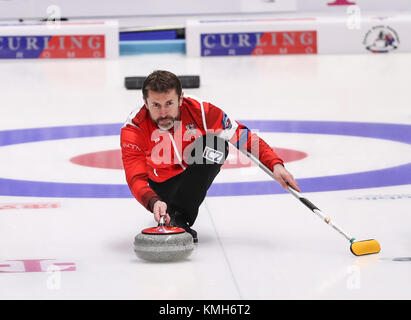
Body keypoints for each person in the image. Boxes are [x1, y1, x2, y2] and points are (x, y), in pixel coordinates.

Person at [121, 70, 299, 243]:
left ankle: (180, 217)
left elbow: (243, 137)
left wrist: (275, 164)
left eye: (169, 103)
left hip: (190, 175)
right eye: (156, 105)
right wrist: (153, 201)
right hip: (160, 186)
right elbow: (135, 177)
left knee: (216, 146)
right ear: (145, 102)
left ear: (181, 98)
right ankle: (170, 209)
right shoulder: (134, 127)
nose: (163, 113)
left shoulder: (201, 111)